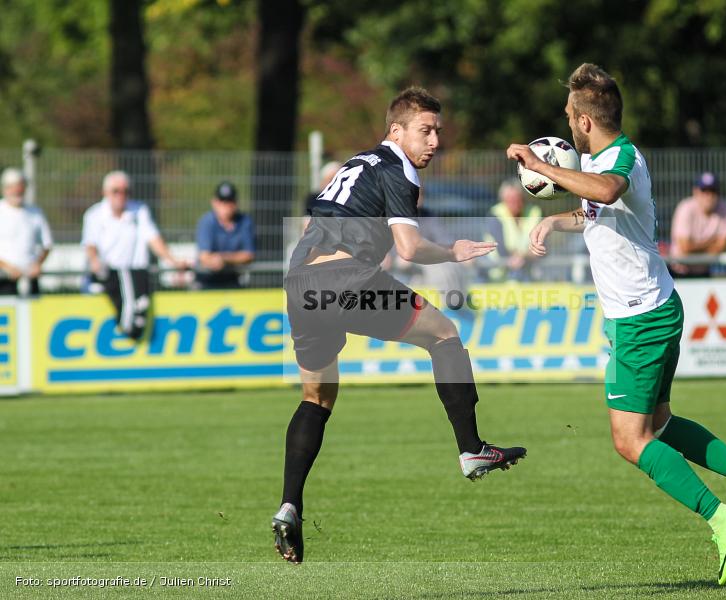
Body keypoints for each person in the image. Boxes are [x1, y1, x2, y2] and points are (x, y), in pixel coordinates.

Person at [507, 63, 726, 586]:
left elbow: (607, 193)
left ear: (586, 121)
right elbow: (598, 211)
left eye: (570, 116)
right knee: (659, 424)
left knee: (630, 439)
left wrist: (542, 169)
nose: (567, 125)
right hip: (649, 310)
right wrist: (554, 218)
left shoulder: (622, 159)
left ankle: (720, 516)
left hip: (640, 318)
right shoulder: (608, 159)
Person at [274, 87, 526, 563]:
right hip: (345, 276)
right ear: (396, 130)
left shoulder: (357, 163)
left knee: (316, 398)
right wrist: (452, 251)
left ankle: (290, 505)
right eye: (425, 130)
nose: (433, 140)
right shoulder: (399, 167)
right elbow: (409, 248)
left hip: (300, 281)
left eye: (438, 131)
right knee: (446, 334)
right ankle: (471, 448)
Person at [82, 170, 188, 340]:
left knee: (137, 310)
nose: (121, 195)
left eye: (126, 191)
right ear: (105, 192)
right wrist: (95, 262)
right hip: (110, 275)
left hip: (135, 274)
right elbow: (90, 245)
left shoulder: (139, 210)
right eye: (116, 191)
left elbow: (154, 239)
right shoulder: (94, 215)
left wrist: (172, 261)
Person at [669, 172, 726, 278]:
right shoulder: (685, 208)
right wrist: (712, 241)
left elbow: (723, 246)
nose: (709, 196)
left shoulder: (724, 209)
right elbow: (685, 247)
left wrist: (694, 246)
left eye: (713, 191)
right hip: (679, 272)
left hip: (704, 273)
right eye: (704, 191)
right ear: (695, 192)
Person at [0, 168, 53, 296]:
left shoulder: (35, 212)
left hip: (30, 278)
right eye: (12, 187)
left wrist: (37, 264)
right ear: (5, 189)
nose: (17, 191)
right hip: (4, 279)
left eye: (20, 187)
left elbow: (47, 244)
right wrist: (7, 267)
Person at [195, 181, 256, 289]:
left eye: (229, 201)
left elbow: (248, 255)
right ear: (214, 202)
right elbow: (204, 256)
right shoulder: (206, 221)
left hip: (232, 280)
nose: (226, 206)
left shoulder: (245, 222)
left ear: (236, 203)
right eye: (222, 201)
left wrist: (222, 258)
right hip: (207, 281)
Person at [485, 180, 542, 281]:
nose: (515, 203)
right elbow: (500, 248)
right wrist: (521, 256)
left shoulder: (534, 212)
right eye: (510, 199)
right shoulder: (495, 214)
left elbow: (541, 245)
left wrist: (524, 256)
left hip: (527, 270)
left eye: (517, 199)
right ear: (503, 200)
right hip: (497, 272)